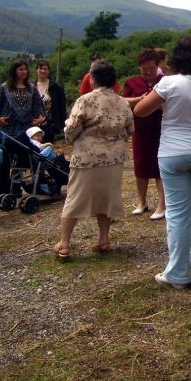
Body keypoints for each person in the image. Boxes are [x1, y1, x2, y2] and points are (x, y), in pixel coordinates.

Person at [135, 36, 191, 288]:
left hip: (173, 152)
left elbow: (140, 110)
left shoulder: (169, 83)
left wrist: (166, 106)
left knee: (176, 212)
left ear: (175, 58)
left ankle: (178, 271)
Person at [54, 60, 134, 260]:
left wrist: (72, 137)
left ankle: (64, 243)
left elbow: (71, 129)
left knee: (75, 197)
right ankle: (104, 240)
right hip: (114, 158)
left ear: (92, 78)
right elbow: (130, 130)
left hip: (87, 157)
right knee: (106, 199)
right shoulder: (122, 102)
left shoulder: (85, 100)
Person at [0, 58, 46, 197]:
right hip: (8, 129)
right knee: (6, 161)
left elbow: (39, 107)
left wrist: (41, 118)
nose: (23, 72)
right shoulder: (4, 87)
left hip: (26, 129)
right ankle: (2, 190)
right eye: (20, 69)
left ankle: (16, 187)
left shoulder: (32, 88)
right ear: (14, 71)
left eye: (25, 69)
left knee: (23, 159)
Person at [122, 49, 166, 220]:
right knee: (140, 166)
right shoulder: (132, 82)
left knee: (160, 166)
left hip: (162, 130)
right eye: (144, 69)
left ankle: (162, 204)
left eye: (152, 68)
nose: (148, 73)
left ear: (158, 66)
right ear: (139, 67)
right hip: (140, 130)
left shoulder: (165, 81)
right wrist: (140, 100)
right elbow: (123, 101)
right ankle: (142, 202)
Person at [34, 59, 66, 143]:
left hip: (49, 125)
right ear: (36, 70)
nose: (43, 71)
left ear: (49, 71)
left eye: (45, 69)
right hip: (33, 125)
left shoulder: (56, 87)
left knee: (46, 148)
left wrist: (63, 124)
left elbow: (62, 106)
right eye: (40, 68)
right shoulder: (31, 86)